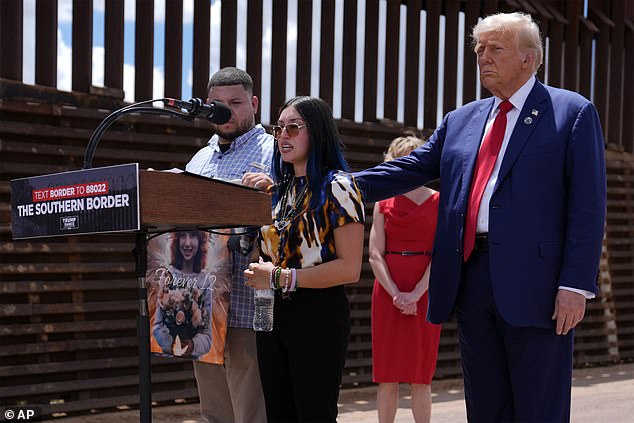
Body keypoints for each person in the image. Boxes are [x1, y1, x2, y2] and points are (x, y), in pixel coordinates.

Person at [353, 12, 606, 423]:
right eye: (478, 49)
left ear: (530, 58)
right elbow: (410, 168)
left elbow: (588, 207)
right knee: (485, 408)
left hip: (539, 287)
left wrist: (575, 284)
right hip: (471, 279)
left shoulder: (571, 112)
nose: (482, 56)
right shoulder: (461, 120)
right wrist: (343, 186)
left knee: (539, 407)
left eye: (495, 48)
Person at [242, 96, 365, 422]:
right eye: (279, 128)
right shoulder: (277, 192)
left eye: (294, 128)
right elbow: (267, 254)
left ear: (318, 132)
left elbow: (350, 268)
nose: (283, 135)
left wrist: (281, 277)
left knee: (314, 414)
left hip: (318, 314)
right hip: (271, 314)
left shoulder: (339, 186)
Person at [185, 67, 273, 423]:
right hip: (201, 295)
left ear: (253, 104)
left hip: (249, 297)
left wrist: (271, 190)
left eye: (235, 103)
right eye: (217, 104)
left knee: (250, 395)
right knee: (213, 404)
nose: (226, 111)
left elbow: (292, 213)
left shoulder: (273, 153)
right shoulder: (199, 159)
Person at [369, 136, 442, 423]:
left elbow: (441, 255)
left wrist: (416, 294)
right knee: (387, 376)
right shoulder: (383, 203)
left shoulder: (439, 201)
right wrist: (397, 294)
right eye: (404, 158)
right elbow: (375, 254)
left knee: (421, 376)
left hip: (425, 290)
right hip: (387, 292)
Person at [153, 230, 212, 358]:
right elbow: (157, 326)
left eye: (193, 236)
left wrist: (193, 345)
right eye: (182, 236)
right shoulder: (168, 274)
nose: (187, 243)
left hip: (195, 359)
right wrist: (171, 344)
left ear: (200, 241)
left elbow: (207, 334)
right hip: (169, 358)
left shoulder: (205, 280)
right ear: (176, 240)